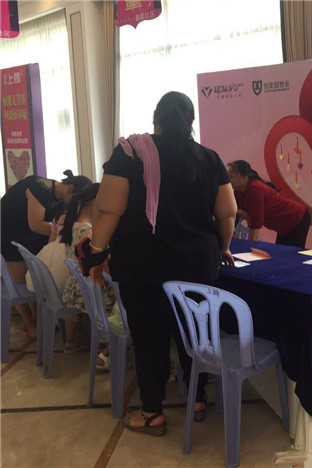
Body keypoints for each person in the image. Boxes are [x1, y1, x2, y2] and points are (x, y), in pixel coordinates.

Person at [83, 91, 237, 436]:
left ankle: (152, 413)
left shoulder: (131, 153)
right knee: (193, 334)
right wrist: (223, 248)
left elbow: (108, 209)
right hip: (197, 265)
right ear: (191, 122)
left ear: (156, 122)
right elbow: (228, 213)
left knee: (150, 337)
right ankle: (197, 400)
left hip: (143, 266)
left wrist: (96, 253)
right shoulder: (208, 158)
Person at [1, 170, 92, 338]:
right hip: (9, 232)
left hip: (28, 234)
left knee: (35, 274)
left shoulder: (58, 197)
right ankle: (29, 323)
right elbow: (36, 224)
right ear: (70, 188)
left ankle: (38, 319)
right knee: (20, 282)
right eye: (77, 199)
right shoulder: (40, 188)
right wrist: (64, 232)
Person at [58, 183, 116, 354]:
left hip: (74, 286)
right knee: (122, 297)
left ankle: (72, 341)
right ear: (96, 203)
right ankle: (108, 347)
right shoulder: (88, 231)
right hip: (88, 289)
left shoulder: (73, 225)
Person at [227, 160, 310, 248]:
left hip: (297, 218)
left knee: (292, 253)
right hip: (283, 226)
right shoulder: (238, 192)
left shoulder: (255, 190)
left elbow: (256, 225)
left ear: (244, 178)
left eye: (231, 177)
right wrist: (243, 214)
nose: (228, 180)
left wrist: (249, 247)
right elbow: (231, 211)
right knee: (280, 252)